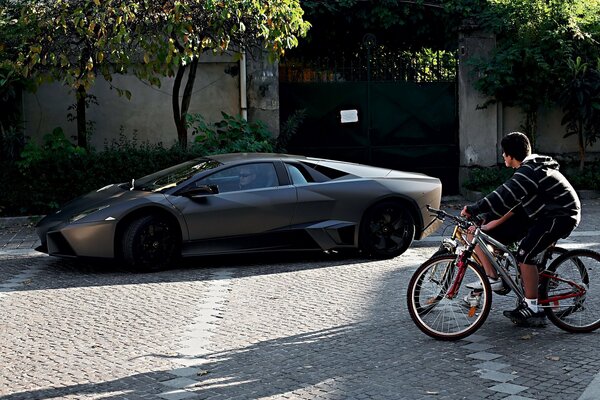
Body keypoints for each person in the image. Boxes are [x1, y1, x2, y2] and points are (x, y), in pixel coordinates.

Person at [461, 132, 581, 327]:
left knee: (525, 254)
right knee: (506, 242)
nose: (502, 156)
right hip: (543, 212)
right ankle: (509, 282)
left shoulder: (529, 171)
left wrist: (474, 208)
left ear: (510, 155)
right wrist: (488, 218)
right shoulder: (530, 169)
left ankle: (532, 307)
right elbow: (513, 204)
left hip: (559, 216)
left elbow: (503, 195)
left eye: (503, 153)